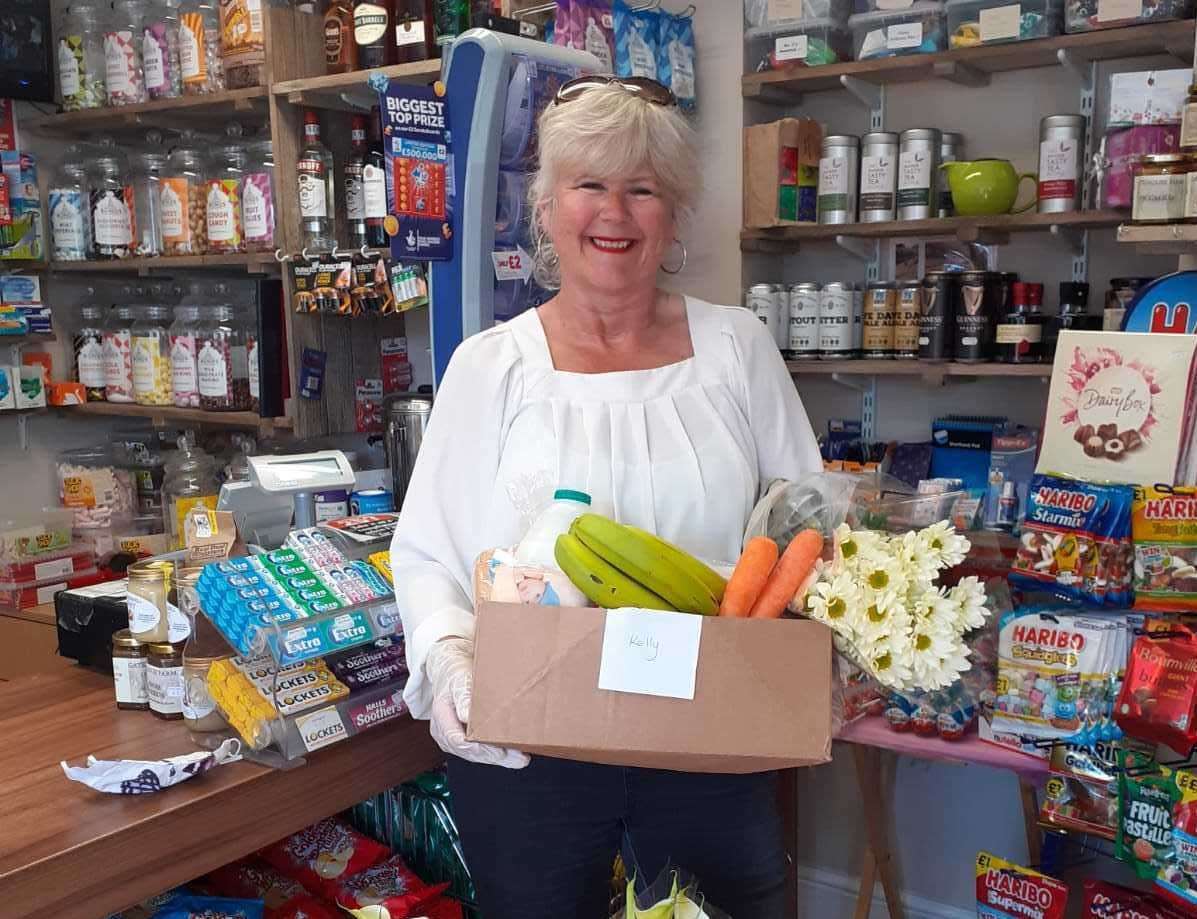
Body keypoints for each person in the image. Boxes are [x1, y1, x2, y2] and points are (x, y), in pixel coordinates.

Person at [390, 75, 822, 919]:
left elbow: (804, 518)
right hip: (529, 740)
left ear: (673, 214)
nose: (613, 213)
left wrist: (830, 642)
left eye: (641, 189)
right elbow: (429, 550)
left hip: (713, 730)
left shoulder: (735, 348)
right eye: (589, 184)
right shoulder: (492, 365)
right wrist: (449, 659)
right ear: (547, 209)